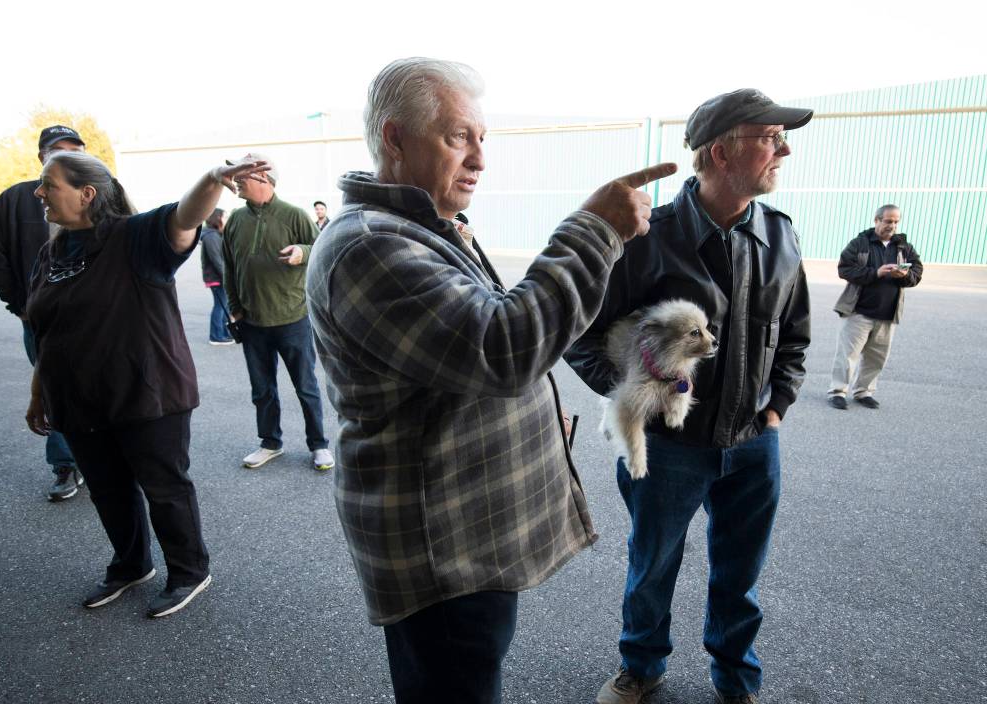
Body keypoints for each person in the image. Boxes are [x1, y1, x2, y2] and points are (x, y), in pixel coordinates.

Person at [305, 57, 675, 704]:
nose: (480, 157)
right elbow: (504, 349)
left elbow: (461, 360)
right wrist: (593, 230)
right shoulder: (369, 246)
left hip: (462, 537)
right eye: (458, 137)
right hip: (442, 560)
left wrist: (530, 417)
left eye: (483, 138)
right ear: (395, 139)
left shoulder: (418, 228)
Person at [565, 88, 813, 704]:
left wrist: (776, 405)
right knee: (653, 567)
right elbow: (580, 335)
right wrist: (635, 397)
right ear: (722, 152)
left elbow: (797, 334)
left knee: (741, 576)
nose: (784, 147)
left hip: (755, 444)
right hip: (670, 450)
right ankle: (642, 667)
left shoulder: (780, 234)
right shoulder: (646, 237)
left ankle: (735, 677)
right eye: (769, 136)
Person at [24, 151, 267, 617]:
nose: (40, 193)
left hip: (146, 394)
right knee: (107, 487)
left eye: (48, 184)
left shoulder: (133, 238)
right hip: (77, 400)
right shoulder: (50, 253)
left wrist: (214, 178)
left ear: (86, 193)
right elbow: (46, 331)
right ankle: (131, 565)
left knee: (163, 487)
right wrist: (39, 394)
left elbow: (184, 217)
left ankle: (188, 570)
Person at [0, 125, 85, 501]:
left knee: (100, 384)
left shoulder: (99, 196)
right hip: (40, 320)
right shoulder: (16, 200)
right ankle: (65, 465)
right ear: (41, 156)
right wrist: (22, 307)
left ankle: (103, 458)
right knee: (54, 386)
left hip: (93, 321)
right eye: (59, 150)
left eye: (75, 150)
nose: (67, 156)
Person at [222, 153, 333, 472]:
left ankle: (319, 445)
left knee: (306, 386)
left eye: (241, 175)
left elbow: (325, 249)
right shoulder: (235, 220)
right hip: (252, 322)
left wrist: (303, 251)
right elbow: (229, 267)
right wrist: (235, 308)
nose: (236, 181)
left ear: (262, 178)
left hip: (292, 319)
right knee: (262, 389)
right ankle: (270, 443)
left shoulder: (294, 215)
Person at [827, 205, 922, 409]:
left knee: (876, 358)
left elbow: (917, 274)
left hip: (887, 314)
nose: (892, 226)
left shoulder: (904, 248)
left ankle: (863, 392)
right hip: (858, 312)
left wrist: (905, 275)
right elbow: (845, 269)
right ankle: (838, 391)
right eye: (888, 221)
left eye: (896, 222)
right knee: (847, 356)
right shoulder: (860, 243)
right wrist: (876, 273)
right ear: (877, 220)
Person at [200, 208, 234, 345]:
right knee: (220, 307)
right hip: (217, 278)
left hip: (219, 277)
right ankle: (216, 336)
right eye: (225, 217)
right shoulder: (211, 237)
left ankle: (224, 333)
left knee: (224, 306)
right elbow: (217, 261)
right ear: (217, 218)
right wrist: (228, 278)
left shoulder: (216, 235)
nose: (227, 219)